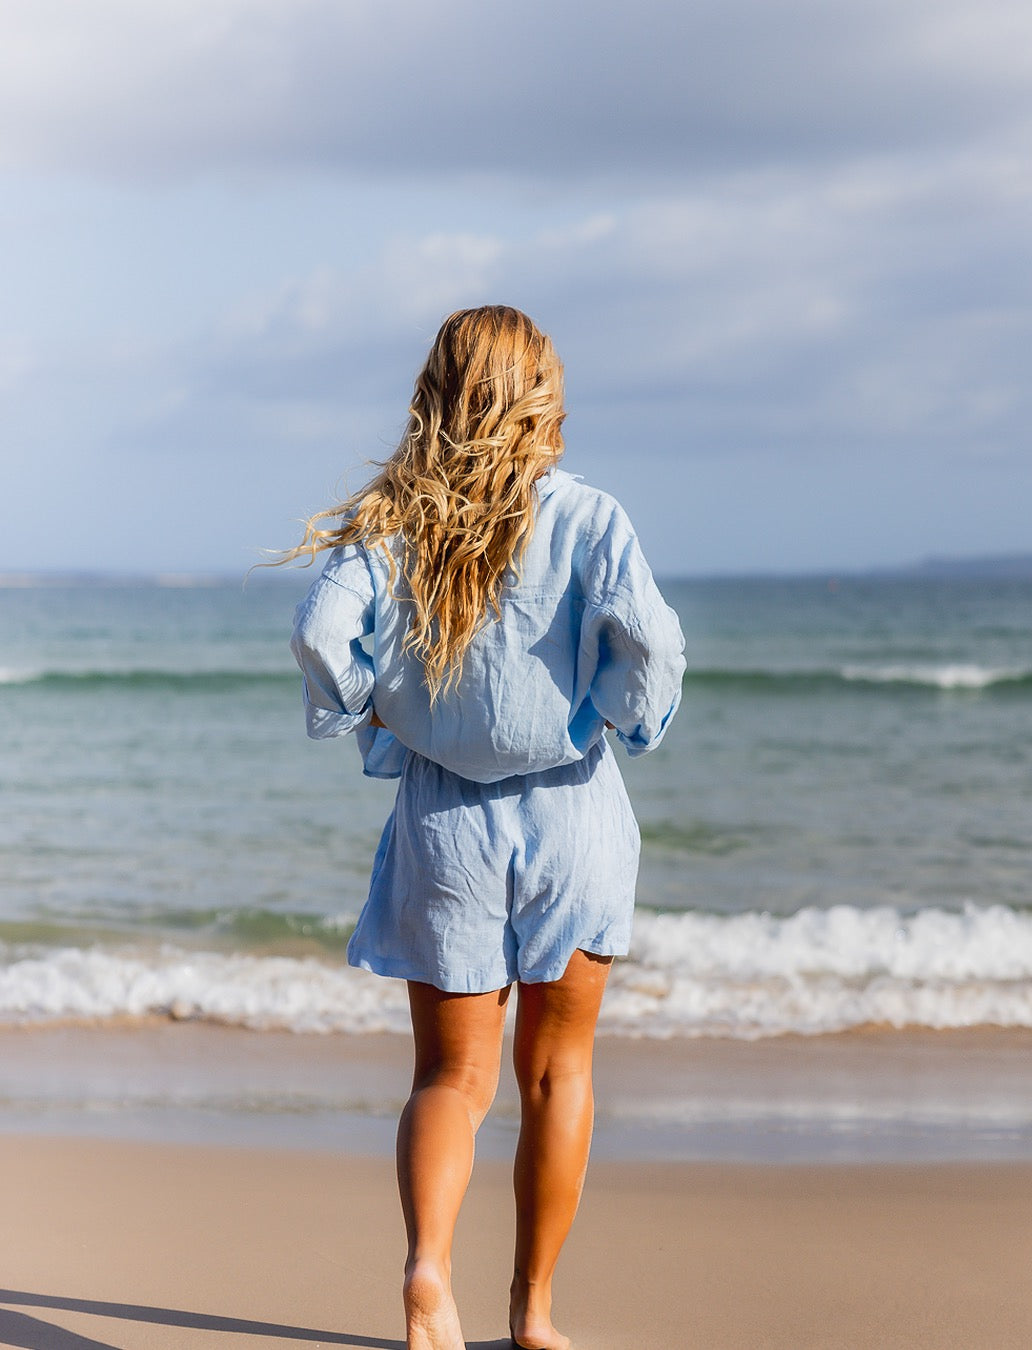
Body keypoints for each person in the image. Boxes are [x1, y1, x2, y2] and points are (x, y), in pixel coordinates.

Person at [288, 306, 684, 1350]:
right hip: (575, 815)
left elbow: (321, 634)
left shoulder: (390, 523)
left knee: (449, 1080)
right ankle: (536, 1314)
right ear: (543, 397)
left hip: (445, 823)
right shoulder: (591, 516)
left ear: (436, 390)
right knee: (559, 1073)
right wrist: (613, 716)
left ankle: (428, 1275)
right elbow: (649, 642)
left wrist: (375, 710)